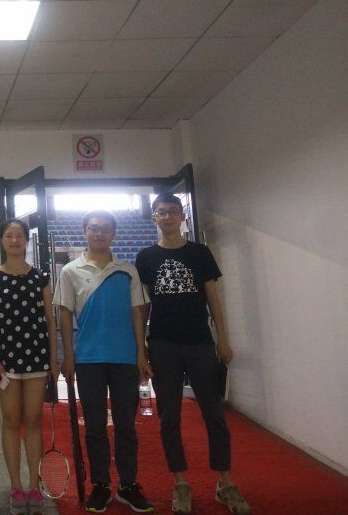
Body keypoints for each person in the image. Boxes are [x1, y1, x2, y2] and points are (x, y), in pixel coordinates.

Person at [135, 193, 250, 515]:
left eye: (173, 211)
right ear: (154, 218)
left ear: (182, 215)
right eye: (161, 212)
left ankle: (225, 483)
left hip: (200, 343)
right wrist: (141, 349)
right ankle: (180, 483)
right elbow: (142, 306)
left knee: (214, 414)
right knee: (169, 417)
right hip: (163, 345)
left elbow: (213, 298)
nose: (167, 216)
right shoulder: (146, 257)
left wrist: (223, 339)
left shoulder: (200, 253)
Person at [56, 211, 153, 513]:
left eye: (105, 229)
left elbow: (138, 313)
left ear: (114, 233)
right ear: (84, 231)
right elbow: (64, 314)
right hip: (88, 359)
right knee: (95, 426)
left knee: (126, 426)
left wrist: (141, 354)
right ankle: (100, 484)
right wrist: (68, 355)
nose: (99, 233)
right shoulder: (70, 271)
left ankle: (127, 485)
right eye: (93, 228)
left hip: (125, 358)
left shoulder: (128, 271)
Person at [0, 218, 59, 515]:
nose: (14, 240)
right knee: (11, 420)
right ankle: (16, 486)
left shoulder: (41, 277)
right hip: (6, 359)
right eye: (9, 235)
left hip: (37, 356)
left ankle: (34, 486)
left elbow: (49, 320)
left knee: (34, 419)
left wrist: (53, 360)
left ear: (26, 240)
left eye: (19, 235)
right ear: (2, 240)